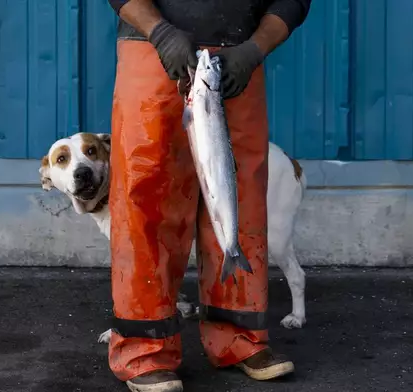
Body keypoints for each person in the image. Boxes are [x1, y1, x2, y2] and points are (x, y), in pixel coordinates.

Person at [106, 0, 312, 391]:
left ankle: (241, 339)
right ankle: (143, 349)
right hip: (151, 49)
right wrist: (160, 32)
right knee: (146, 198)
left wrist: (254, 50)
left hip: (237, 58)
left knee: (243, 200)